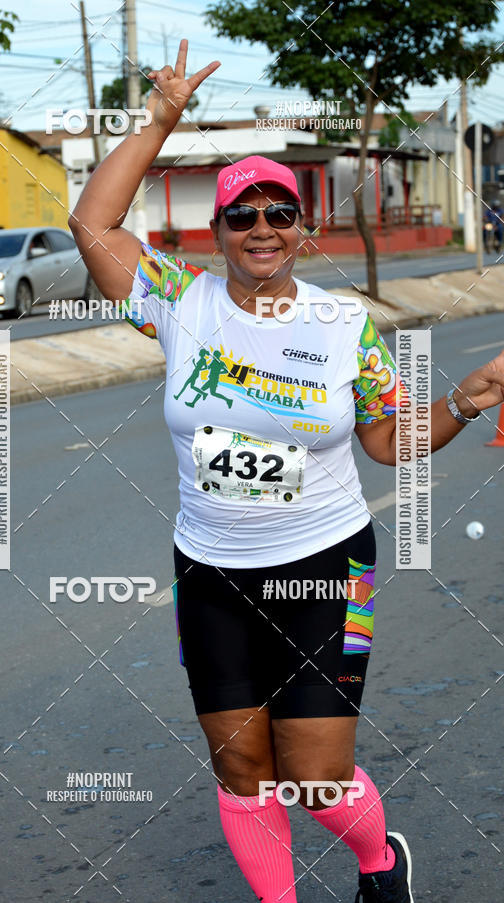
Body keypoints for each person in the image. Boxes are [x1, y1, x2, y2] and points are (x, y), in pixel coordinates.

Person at [69, 39, 504, 903]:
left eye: (280, 212)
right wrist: (160, 121)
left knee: (313, 775)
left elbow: (386, 443)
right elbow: (93, 226)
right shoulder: (178, 300)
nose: (262, 227)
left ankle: (380, 860)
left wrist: (467, 398)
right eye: (242, 215)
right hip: (210, 571)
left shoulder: (345, 327)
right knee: (241, 767)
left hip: (326, 567)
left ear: (305, 228)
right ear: (218, 232)